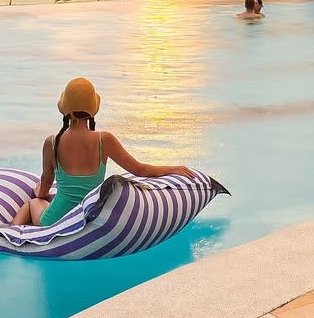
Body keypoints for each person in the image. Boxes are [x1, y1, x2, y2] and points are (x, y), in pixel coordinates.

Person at [11, 77, 195, 227]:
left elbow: (45, 186)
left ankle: (12, 232)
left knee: (32, 204)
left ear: (66, 112)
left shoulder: (52, 143)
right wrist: (172, 168)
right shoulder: (104, 140)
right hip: (88, 217)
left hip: (57, 220)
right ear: (92, 112)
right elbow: (140, 170)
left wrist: (39, 193)